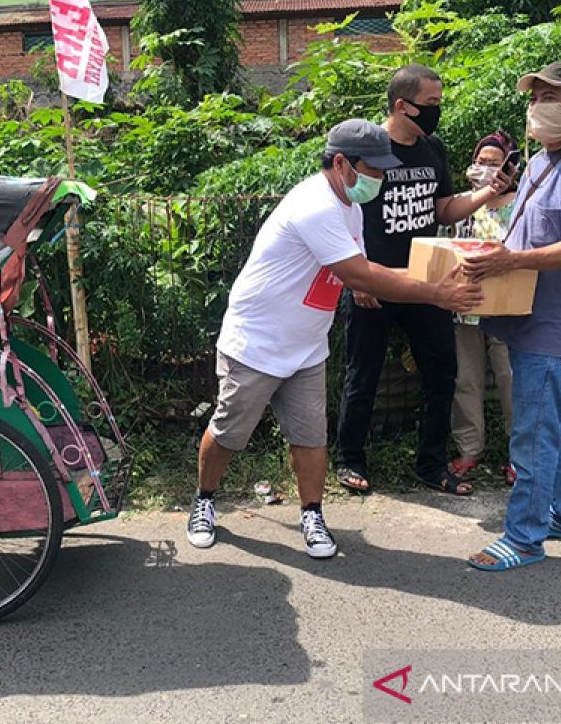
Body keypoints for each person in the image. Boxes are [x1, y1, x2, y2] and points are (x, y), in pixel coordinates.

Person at [185, 119, 483, 559]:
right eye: (374, 169)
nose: (380, 179)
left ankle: (312, 513)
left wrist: (361, 283)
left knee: (310, 438)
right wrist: (436, 291)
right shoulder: (316, 205)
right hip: (258, 342)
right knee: (229, 432)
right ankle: (204, 500)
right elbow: (359, 271)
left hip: (306, 345)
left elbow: (356, 263)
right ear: (341, 163)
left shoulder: (351, 205)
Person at [462, 61, 561, 572]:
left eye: (552, 96)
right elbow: (522, 233)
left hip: (552, 326)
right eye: (535, 97)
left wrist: (510, 260)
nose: (539, 106)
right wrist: (492, 254)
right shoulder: (537, 163)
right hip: (520, 316)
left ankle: (525, 537)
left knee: (530, 434)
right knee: (543, 425)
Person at [335, 64, 516, 497]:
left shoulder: (431, 148)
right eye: (431, 103)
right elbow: (340, 214)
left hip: (427, 281)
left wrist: (488, 193)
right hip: (374, 279)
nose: (438, 110)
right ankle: (349, 459)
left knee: (442, 372)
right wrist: (357, 277)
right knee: (363, 374)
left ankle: (432, 464)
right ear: (403, 105)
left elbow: (443, 210)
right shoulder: (367, 149)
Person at [448, 130, 519, 487]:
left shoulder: (521, 204)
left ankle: (519, 455)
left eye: (494, 163)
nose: (486, 168)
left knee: (510, 378)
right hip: (466, 303)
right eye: (481, 162)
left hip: (507, 306)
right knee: (467, 378)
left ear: (510, 166)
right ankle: (469, 449)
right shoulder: (465, 202)